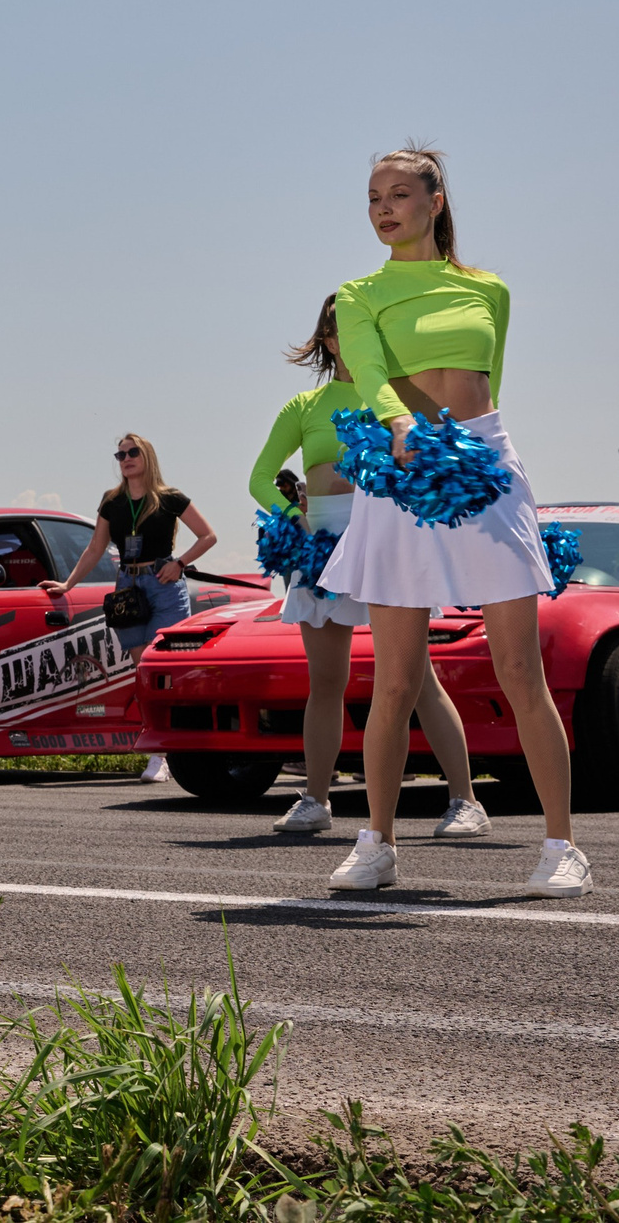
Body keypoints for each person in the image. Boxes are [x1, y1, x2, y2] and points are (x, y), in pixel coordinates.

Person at [316, 148, 586, 897]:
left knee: (520, 668)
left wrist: (464, 444)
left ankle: (562, 845)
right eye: (373, 196)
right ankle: (377, 843)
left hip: (481, 464)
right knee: (396, 678)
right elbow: (368, 374)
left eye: (400, 194)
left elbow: (487, 381)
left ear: (436, 202)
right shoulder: (358, 292)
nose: (383, 208)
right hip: (399, 466)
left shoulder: (487, 289)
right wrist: (402, 426)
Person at [249, 297, 485, 838]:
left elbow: (430, 462)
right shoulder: (303, 406)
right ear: (329, 340)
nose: (351, 338)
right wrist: (296, 518)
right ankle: (315, 798)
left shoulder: (396, 397)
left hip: (387, 539)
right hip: (321, 546)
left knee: (415, 676)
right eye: (341, 330)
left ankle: (465, 800)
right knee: (326, 679)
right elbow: (260, 476)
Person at [49, 435, 218, 783]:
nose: (125, 458)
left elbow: (208, 536)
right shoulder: (112, 501)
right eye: (120, 454)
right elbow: (95, 548)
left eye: (132, 452)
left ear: (147, 456)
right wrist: (67, 584)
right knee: (142, 667)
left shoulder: (170, 497)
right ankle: (157, 749)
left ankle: (171, 752)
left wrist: (181, 563)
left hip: (165, 584)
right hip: (127, 586)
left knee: (166, 666)